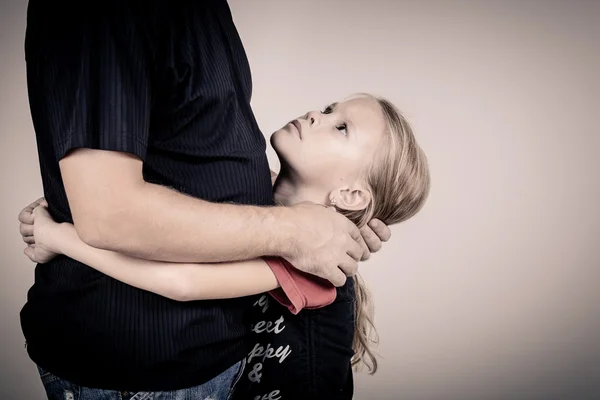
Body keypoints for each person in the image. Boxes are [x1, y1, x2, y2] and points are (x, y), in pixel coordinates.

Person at [19, 1, 392, 399]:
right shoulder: (298, 231)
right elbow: (112, 207)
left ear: (352, 194)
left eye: (341, 127)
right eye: (331, 108)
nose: (317, 113)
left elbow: (182, 282)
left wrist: (58, 236)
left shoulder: (311, 258)